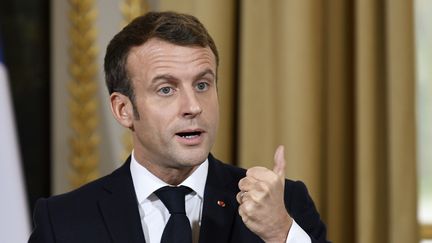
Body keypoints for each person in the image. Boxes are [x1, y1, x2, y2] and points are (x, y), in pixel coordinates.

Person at [28, 11, 329, 243]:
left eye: (202, 84)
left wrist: (279, 233)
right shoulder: (64, 220)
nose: (193, 106)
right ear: (124, 109)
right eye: (166, 89)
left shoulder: (284, 206)